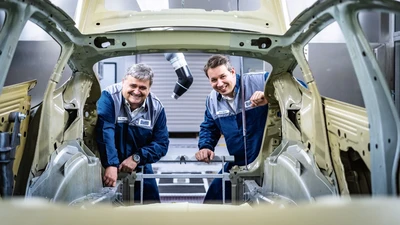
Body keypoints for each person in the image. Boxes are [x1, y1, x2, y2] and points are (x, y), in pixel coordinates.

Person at [195, 55, 270, 204]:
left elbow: (298, 93)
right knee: (212, 200)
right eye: (214, 80)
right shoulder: (211, 101)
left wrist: (270, 97)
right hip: (238, 162)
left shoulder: (261, 81)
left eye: (223, 76)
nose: (220, 83)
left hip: (267, 161)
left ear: (233, 72)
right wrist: (205, 146)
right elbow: (209, 128)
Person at [96, 63, 169, 204]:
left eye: (142, 88)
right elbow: (105, 131)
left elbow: (161, 144)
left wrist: (136, 158)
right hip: (106, 162)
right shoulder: (109, 97)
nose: (136, 91)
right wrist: (111, 164)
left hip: (140, 165)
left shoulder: (157, 108)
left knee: (152, 208)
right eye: (133, 86)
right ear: (123, 82)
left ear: (149, 88)